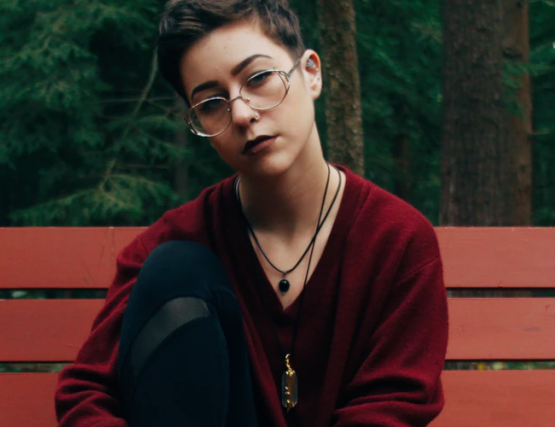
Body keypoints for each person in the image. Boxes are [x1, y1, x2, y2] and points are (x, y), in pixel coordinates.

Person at [54, 0, 448, 425]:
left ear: (311, 72)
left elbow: (393, 404)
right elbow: (87, 392)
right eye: (211, 103)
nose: (241, 113)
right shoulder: (171, 244)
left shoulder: (398, 240)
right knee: (174, 267)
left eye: (259, 78)